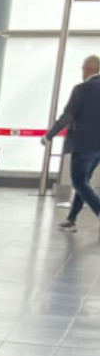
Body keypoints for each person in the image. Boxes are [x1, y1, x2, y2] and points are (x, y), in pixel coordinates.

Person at [47, 55, 100, 233]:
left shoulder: (81, 89)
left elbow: (67, 116)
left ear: (88, 70)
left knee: (78, 182)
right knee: (83, 182)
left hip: (83, 144)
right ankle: (71, 219)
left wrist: (49, 135)